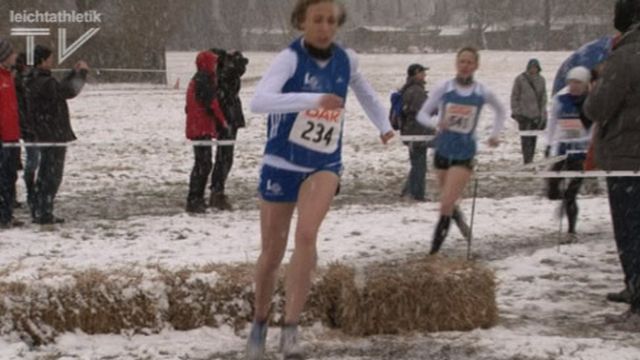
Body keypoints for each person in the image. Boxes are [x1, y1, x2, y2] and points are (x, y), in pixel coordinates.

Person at [246, 0, 394, 358]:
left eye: (331, 21)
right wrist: (313, 99)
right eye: (317, 20)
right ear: (302, 22)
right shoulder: (290, 59)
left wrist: (385, 125)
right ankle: (260, 321)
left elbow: (365, 92)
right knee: (272, 251)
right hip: (282, 160)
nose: (325, 27)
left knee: (307, 235)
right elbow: (259, 102)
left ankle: (291, 327)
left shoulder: (347, 60)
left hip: (324, 162)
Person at [417, 47, 506, 255]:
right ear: (456, 64)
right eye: (462, 62)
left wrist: (495, 134)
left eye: (469, 62)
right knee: (448, 201)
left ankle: (432, 255)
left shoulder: (481, 92)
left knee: (445, 204)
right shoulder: (445, 88)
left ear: (476, 66)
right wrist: (437, 123)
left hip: (464, 154)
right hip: (442, 151)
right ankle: (459, 220)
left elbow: (501, 111)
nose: (465, 66)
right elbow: (422, 114)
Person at [584, 0, 640, 330]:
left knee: (631, 232)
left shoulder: (626, 56)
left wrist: (595, 88)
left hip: (628, 159)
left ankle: (638, 303)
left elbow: (598, 107)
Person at [26, 45, 89, 225]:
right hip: (53, 134)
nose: (52, 62)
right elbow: (67, 91)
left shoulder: (33, 79)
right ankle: (44, 212)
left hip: (43, 133)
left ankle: (38, 208)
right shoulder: (45, 82)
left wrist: (71, 73)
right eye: (50, 59)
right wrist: (81, 74)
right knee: (51, 176)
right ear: (43, 60)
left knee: (44, 173)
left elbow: (59, 87)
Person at [545, 66, 592, 243]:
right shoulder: (560, 100)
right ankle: (564, 200)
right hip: (564, 151)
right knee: (551, 188)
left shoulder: (590, 102)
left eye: (578, 83)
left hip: (581, 154)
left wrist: (586, 142)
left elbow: (595, 129)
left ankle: (571, 230)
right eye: (571, 82)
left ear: (585, 83)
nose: (574, 86)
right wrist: (549, 145)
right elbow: (552, 123)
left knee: (572, 193)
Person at [184, 50, 229, 214]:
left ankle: (196, 198)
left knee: (202, 163)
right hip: (201, 127)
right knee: (203, 164)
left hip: (197, 126)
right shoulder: (205, 80)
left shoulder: (196, 79)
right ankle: (195, 199)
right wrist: (222, 122)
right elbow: (212, 103)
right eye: (214, 63)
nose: (216, 66)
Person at [209, 48, 249, 211]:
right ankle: (217, 191)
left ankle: (217, 189)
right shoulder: (226, 74)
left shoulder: (222, 73)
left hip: (228, 116)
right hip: (227, 117)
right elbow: (239, 69)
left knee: (225, 156)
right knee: (225, 156)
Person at [398, 63, 434, 202]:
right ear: (415, 74)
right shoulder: (416, 91)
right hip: (417, 133)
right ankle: (417, 194)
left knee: (417, 163)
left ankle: (408, 191)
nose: (425, 75)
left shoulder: (410, 89)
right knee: (419, 165)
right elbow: (423, 110)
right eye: (422, 73)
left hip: (412, 132)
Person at [0, 38, 22, 229]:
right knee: (3, 179)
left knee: (10, 177)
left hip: (12, 137)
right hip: (3, 139)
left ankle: (7, 214)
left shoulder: (9, 77)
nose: (15, 56)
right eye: (12, 53)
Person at [511, 59, 548, 164]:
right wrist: (516, 112)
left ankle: (530, 159)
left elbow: (543, 98)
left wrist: (542, 114)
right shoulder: (520, 79)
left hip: (535, 115)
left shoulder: (541, 80)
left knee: (533, 139)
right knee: (525, 139)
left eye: (535, 67)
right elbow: (514, 96)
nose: (533, 70)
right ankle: (526, 160)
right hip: (523, 114)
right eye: (531, 67)